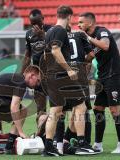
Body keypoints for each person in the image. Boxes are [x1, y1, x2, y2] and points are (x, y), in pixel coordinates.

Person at [42, 5, 92, 156]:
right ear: (69, 16)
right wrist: (68, 69)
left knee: (55, 111)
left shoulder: (49, 31)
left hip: (52, 75)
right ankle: (82, 143)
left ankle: (49, 147)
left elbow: (45, 55)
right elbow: (55, 50)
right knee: (81, 106)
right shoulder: (60, 30)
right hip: (62, 75)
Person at [78, 12, 120, 154]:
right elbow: (90, 57)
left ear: (90, 23)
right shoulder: (89, 40)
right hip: (102, 77)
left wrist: (87, 37)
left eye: (81, 22)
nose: (79, 25)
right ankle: (98, 144)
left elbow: (105, 46)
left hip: (114, 76)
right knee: (98, 109)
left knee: (114, 110)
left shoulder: (102, 31)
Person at [54, 26, 97, 155]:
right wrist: (83, 63)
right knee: (81, 108)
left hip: (61, 76)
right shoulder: (79, 35)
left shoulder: (56, 38)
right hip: (77, 74)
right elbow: (91, 55)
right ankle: (82, 143)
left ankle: (60, 143)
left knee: (59, 111)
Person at [21, 9, 51, 115]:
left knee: (56, 108)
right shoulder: (29, 34)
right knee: (40, 108)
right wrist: (21, 74)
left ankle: (56, 131)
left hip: (52, 73)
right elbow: (28, 55)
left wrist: (43, 35)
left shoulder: (52, 30)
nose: (35, 26)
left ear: (43, 19)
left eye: (37, 23)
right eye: (33, 23)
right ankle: (41, 131)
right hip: (38, 75)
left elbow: (58, 48)